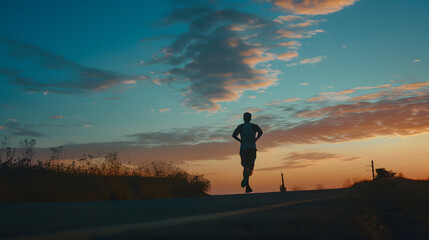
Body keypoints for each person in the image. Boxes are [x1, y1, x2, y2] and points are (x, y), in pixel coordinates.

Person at [232, 112, 263, 193]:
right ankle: (247, 184)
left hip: (244, 149)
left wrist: (240, 141)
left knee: (245, 166)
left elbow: (234, 135)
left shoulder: (240, 126)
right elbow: (261, 132)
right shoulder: (254, 126)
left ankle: (247, 183)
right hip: (252, 148)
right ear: (250, 118)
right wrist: (256, 139)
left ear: (243, 118)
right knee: (251, 165)